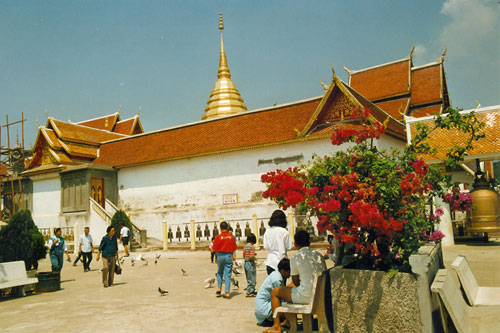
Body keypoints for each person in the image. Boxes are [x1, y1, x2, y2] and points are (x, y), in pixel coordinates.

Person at [264, 230, 326, 333]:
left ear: (295, 244)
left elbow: (296, 282)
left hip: (305, 297)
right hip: (319, 296)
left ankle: (276, 326)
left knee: (276, 292)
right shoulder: (319, 256)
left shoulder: (296, 258)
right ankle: (289, 321)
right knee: (289, 289)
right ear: (309, 242)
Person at [255, 258, 291, 326]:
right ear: (283, 271)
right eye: (289, 272)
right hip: (264, 312)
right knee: (287, 302)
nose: (290, 275)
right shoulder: (277, 280)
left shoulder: (276, 275)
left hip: (263, 310)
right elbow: (282, 297)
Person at [212, 221, 237, 299]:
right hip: (228, 255)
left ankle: (219, 287)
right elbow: (234, 248)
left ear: (220, 228)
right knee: (227, 274)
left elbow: (214, 248)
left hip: (220, 256)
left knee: (219, 272)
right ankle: (227, 292)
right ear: (227, 228)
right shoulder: (231, 237)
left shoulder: (218, 237)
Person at [264, 210, 293, 275]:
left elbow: (266, 247)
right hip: (282, 264)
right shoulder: (284, 231)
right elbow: (289, 247)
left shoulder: (267, 231)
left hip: (270, 262)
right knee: (281, 284)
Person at [244, 233, 257, 297]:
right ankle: (250, 291)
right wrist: (255, 258)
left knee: (248, 278)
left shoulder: (245, 246)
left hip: (246, 263)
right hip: (250, 263)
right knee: (252, 277)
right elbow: (251, 256)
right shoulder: (252, 247)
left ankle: (250, 289)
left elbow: (244, 255)